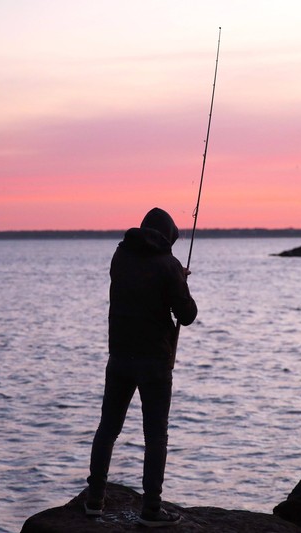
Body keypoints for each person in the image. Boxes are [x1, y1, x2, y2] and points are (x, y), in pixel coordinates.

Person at [86, 207, 198, 527]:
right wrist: (180, 281)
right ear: (168, 237)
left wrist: (174, 277)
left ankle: (94, 501)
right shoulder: (169, 265)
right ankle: (151, 510)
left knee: (108, 428)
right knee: (155, 436)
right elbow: (187, 315)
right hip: (155, 362)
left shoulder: (120, 256)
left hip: (119, 356)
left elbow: (141, 283)